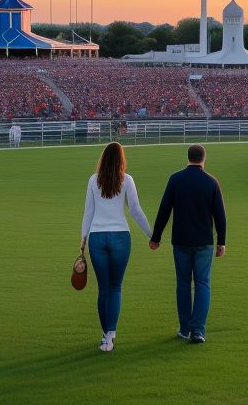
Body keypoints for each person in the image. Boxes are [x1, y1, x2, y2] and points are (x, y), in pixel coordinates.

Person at [149, 144, 226, 343]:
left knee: (183, 284)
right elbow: (220, 215)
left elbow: (164, 210)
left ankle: (184, 329)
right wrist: (221, 242)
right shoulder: (211, 182)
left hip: (181, 241)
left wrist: (156, 237)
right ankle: (198, 330)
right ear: (204, 158)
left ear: (188, 157)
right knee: (202, 284)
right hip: (204, 242)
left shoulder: (176, 179)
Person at [81, 142, 152, 352]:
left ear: (103, 158)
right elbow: (136, 211)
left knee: (103, 289)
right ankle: (111, 333)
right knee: (115, 287)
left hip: (97, 237)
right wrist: (152, 234)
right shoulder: (127, 180)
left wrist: (83, 240)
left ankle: (105, 336)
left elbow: (88, 212)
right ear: (121, 159)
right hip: (121, 236)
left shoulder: (94, 180)